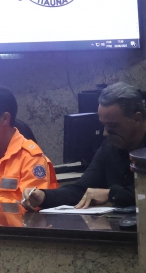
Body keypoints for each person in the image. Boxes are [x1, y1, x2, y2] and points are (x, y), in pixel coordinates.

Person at [22, 82, 144, 210]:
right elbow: (81, 190)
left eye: (112, 126)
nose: (105, 133)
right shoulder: (110, 146)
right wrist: (44, 196)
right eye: (103, 125)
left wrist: (111, 194)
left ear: (137, 119)